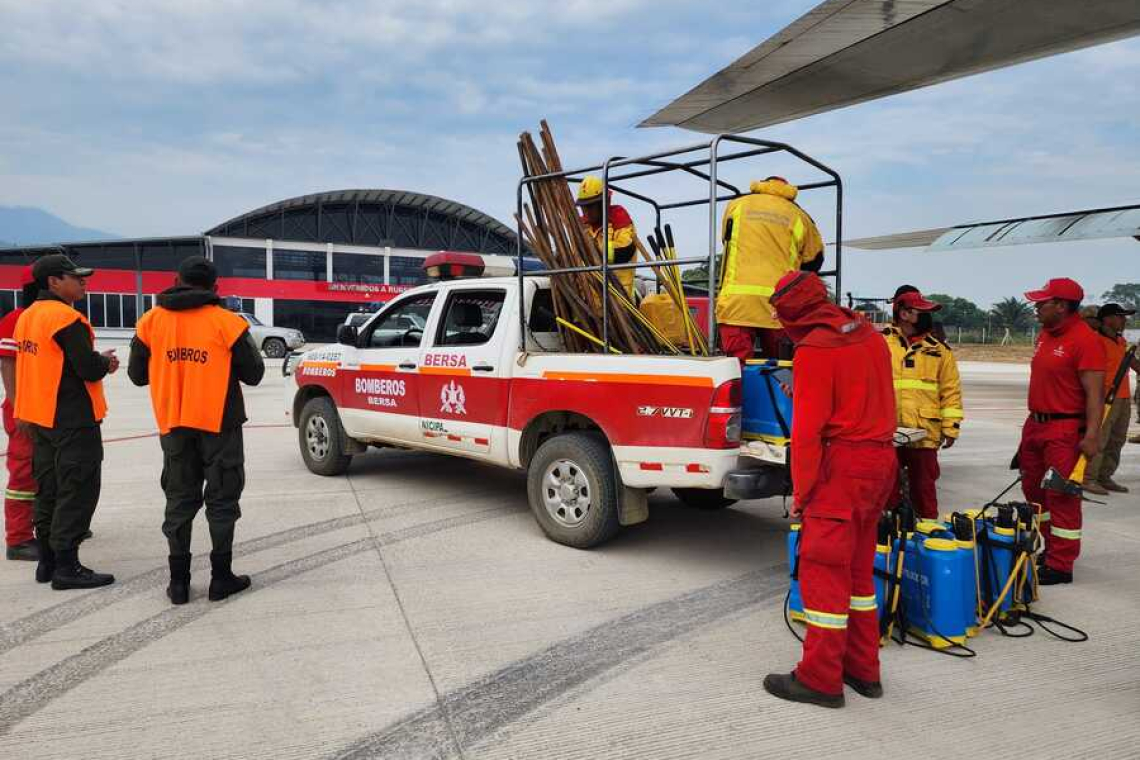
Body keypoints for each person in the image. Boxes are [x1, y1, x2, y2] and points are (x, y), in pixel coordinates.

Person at [763, 271, 897, 708]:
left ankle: (819, 680)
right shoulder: (871, 337)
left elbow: (806, 435)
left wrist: (802, 496)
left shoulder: (814, 349)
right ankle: (864, 670)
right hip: (879, 464)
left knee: (823, 576)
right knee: (859, 575)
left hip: (840, 471)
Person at [128, 256, 265, 604]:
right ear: (215, 288)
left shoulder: (150, 321)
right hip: (219, 424)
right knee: (222, 500)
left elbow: (137, 375)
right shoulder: (227, 322)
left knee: (178, 500)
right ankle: (221, 578)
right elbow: (254, 374)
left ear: (177, 280)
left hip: (174, 423)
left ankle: (179, 583)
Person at [14, 253, 118, 589]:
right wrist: (104, 363)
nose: (83, 282)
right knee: (78, 489)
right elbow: (85, 368)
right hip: (72, 416)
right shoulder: (64, 318)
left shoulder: (28, 317)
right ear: (53, 282)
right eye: (74, 277)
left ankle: (47, 561)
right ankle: (67, 566)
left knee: (48, 489)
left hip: (40, 415)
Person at [1018, 278, 1104, 586]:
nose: (1036, 307)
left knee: (1062, 497)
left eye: (1042, 303)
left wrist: (1092, 434)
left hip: (1064, 430)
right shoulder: (1044, 334)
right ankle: (1049, 548)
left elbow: (1095, 394)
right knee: (1034, 493)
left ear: (1062, 306)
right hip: (1035, 425)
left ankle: (1061, 563)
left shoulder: (1085, 340)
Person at [716, 177, 824, 363]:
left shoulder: (736, 205)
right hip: (780, 307)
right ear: (787, 191)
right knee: (780, 369)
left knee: (737, 370)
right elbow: (814, 260)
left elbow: (726, 241)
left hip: (736, 303)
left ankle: (743, 392)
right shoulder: (800, 215)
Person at [883, 289, 963, 519]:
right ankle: (890, 539)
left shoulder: (939, 351)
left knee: (924, 491)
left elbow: (951, 392)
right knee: (886, 491)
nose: (928, 316)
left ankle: (927, 535)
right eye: (923, 311)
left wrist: (951, 427)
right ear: (904, 313)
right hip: (888, 433)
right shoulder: (880, 343)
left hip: (924, 434)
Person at [1, 266, 41, 561]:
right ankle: (18, 539)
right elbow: (7, 363)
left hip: (42, 409)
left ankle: (45, 524)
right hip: (24, 409)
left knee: (45, 470)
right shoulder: (15, 320)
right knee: (23, 474)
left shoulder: (39, 318)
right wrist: (17, 408)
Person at [1084, 303, 1139, 494]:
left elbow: (1130, 361)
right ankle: (1088, 478)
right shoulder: (1095, 340)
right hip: (1104, 398)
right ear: (1107, 319)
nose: (1124, 320)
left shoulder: (1120, 340)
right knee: (1100, 439)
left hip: (1123, 398)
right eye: (1121, 316)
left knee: (1117, 439)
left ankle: (1104, 476)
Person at [576, 175, 639, 298]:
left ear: (603, 204)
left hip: (617, 300)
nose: (586, 211)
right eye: (583, 207)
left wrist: (593, 251)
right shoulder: (582, 226)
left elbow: (624, 252)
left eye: (590, 206)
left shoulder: (619, 221)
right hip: (588, 302)